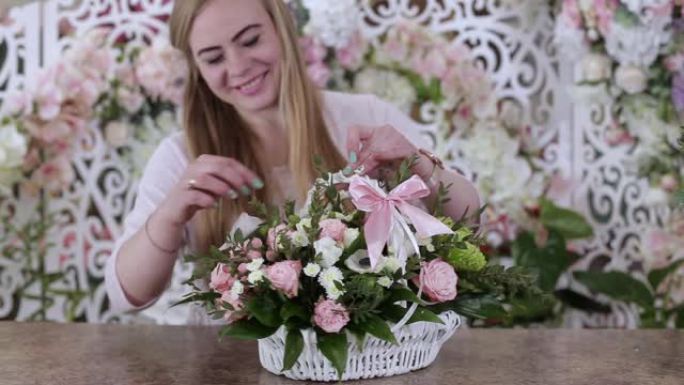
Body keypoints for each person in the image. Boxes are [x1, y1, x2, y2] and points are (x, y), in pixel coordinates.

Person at [105, 0, 480, 318]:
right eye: (213, 57)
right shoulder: (180, 156)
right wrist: (170, 216)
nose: (237, 67)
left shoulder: (366, 116)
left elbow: (472, 221)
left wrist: (417, 163)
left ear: (282, 28)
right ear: (197, 69)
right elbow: (126, 295)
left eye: (250, 40)